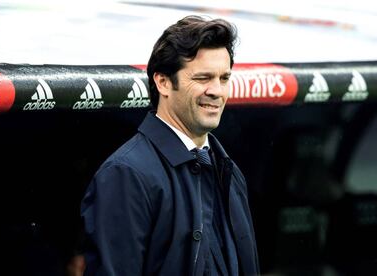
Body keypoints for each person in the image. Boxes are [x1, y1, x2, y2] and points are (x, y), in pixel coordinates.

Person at [80, 15, 260, 275]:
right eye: (202, 78)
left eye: (224, 78)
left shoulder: (228, 171)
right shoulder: (126, 175)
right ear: (163, 82)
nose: (217, 91)